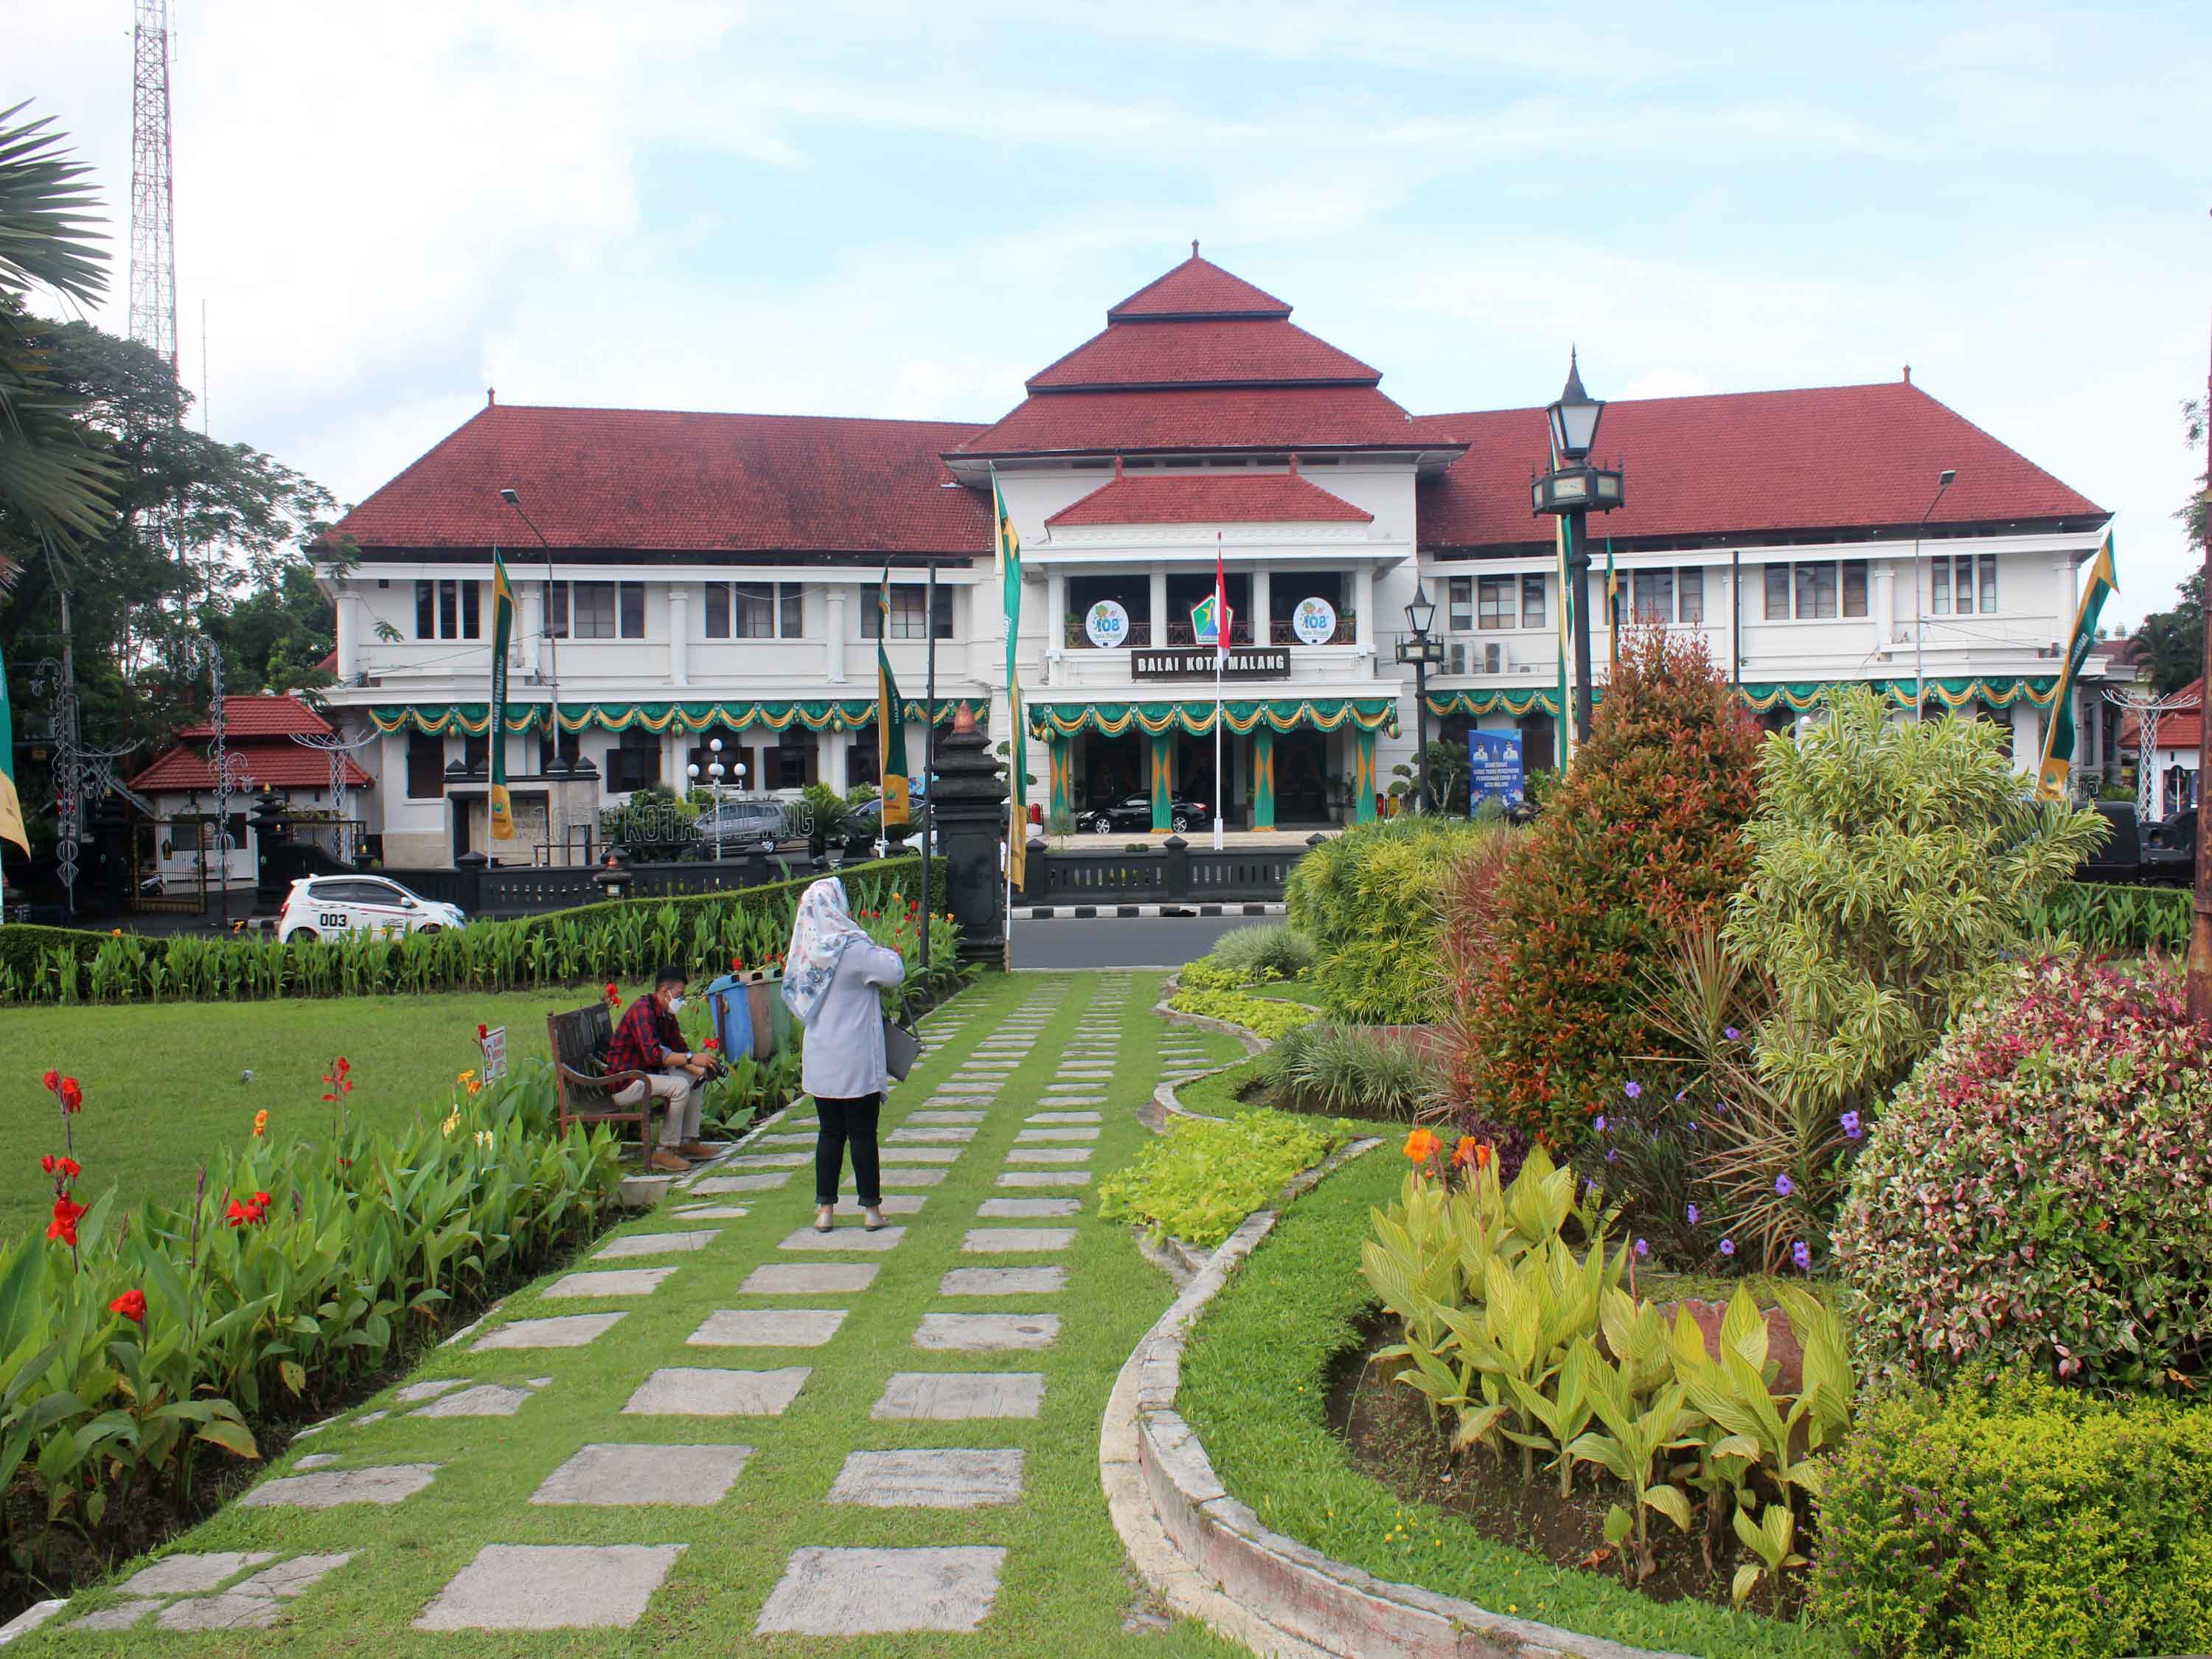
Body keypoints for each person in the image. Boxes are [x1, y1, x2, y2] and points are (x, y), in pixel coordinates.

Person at [782, 876, 905, 1232]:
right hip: (855, 1057)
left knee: (830, 1133)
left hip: (822, 1058)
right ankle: (871, 1210)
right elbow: (894, 972)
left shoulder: (807, 952)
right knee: (863, 1133)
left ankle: (825, 1210)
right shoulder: (851, 949)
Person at [608, 964, 717, 1174]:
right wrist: (694, 1059)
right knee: (680, 1086)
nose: (681, 1001)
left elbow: (679, 1050)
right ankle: (664, 1151)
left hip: (645, 1075)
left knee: (695, 1081)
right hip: (624, 1081)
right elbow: (654, 1055)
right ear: (664, 991)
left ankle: (688, 1142)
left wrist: (702, 1070)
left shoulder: (666, 1014)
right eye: (679, 995)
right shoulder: (643, 1010)